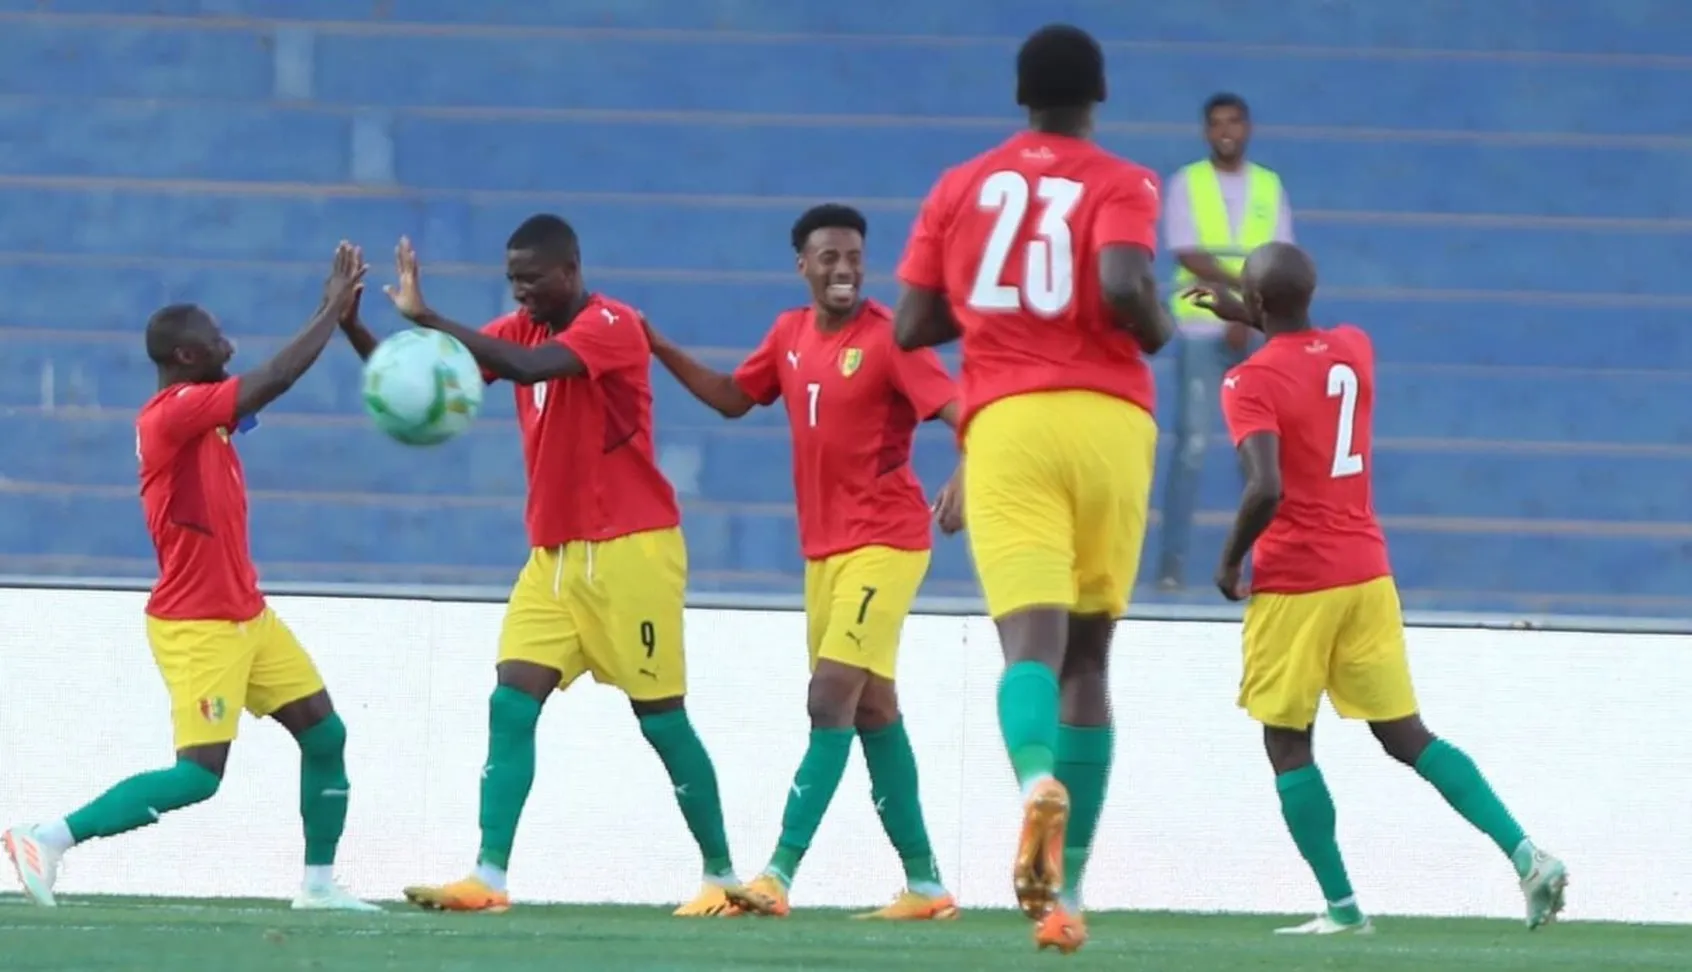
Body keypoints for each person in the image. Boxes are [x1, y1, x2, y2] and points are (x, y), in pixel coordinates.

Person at [339, 217, 739, 917]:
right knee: (510, 702)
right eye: (513, 280)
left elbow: (525, 369)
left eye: (533, 278)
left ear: (572, 269)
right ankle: (488, 877)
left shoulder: (611, 325)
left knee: (662, 720)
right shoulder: (520, 329)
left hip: (631, 552)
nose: (521, 292)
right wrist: (351, 326)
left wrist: (428, 314)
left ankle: (722, 877)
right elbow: (422, 377)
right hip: (552, 558)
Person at [891, 24, 1173, 954]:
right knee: (1091, 659)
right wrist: (1161, 327)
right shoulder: (1123, 180)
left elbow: (913, 324)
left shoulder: (960, 186)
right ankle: (1071, 891)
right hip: (1110, 423)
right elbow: (1126, 282)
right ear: (1097, 95)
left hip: (1008, 422)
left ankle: (1034, 781)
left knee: (1030, 647)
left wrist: (986, 304)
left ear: (1021, 97)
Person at [1198, 242, 1569, 935]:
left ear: (1252, 306)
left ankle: (1343, 909)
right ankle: (1527, 854)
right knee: (1406, 735)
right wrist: (1253, 312)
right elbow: (1305, 352)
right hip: (1367, 572)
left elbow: (1266, 485)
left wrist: (1228, 562)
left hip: (1298, 581)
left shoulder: (1246, 382)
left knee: (1287, 740)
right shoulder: (1355, 350)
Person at [3, 243, 378, 912]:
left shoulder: (204, 412)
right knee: (200, 776)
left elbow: (264, 388)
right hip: (197, 624)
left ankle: (319, 887)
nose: (227, 340)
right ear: (186, 356)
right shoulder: (174, 414)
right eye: (215, 335)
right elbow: (278, 376)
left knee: (326, 734)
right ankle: (47, 837)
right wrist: (330, 307)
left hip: (247, 616)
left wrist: (338, 316)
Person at [645, 203, 962, 921]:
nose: (844, 269)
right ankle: (927, 886)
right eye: (829, 258)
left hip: (887, 542)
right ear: (802, 266)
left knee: (829, 698)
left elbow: (966, 409)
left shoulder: (892, 338)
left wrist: (968, 473)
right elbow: (733, 398)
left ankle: (777, 875)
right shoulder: (788, 335)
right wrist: (660, 346)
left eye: (853, 256)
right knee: (873, 708)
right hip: (825, 555)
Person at [1156, 92, 1294, 590]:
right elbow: (1187, 251)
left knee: (1259, 456)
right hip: (1199, 327)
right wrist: (1239, 299)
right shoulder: (1187, 183)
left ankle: (1269, 566)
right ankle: (1171, 570)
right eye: (1216, 124)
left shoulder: (1268, 185)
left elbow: (1279, 256)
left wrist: (1246, 313)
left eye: (1234, 121)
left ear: (1248, 127)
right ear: (1206, 132)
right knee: (1191, 447)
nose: (1226, 131)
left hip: (1255, 335)